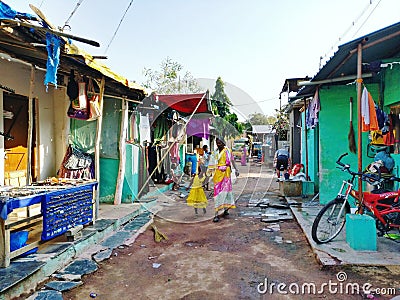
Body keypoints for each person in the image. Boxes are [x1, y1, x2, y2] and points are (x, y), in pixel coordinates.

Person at [212, 137, 239, 223]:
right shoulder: (215, 152)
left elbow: (232, 161)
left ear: (223, 143)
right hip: (217, 175)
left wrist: (236, 169)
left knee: (226, 193)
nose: (218, 145)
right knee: (217, 194)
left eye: (220, 143)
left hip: (226, 175)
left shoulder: (228, 151)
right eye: (217, 143)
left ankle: (226, 209)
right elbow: (212, 163)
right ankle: (216, 214)